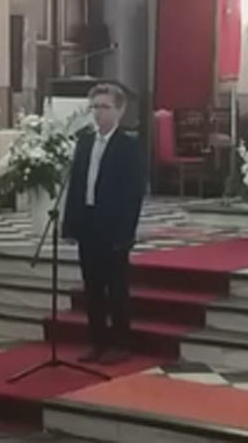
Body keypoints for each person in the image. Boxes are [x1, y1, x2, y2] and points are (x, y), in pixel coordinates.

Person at [62, 83, 145, 365]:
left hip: (114, 225)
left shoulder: (128, 146)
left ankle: (121, 343)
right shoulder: (85, 142)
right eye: (95, 107)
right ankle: (97, 342)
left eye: (105, 107)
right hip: (88, 222)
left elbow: (133, 194)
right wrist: (70, 225)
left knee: (116, 288)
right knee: (93, 287)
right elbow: (76, 185)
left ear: (119, 111)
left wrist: (126, 233)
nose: (99, 113)